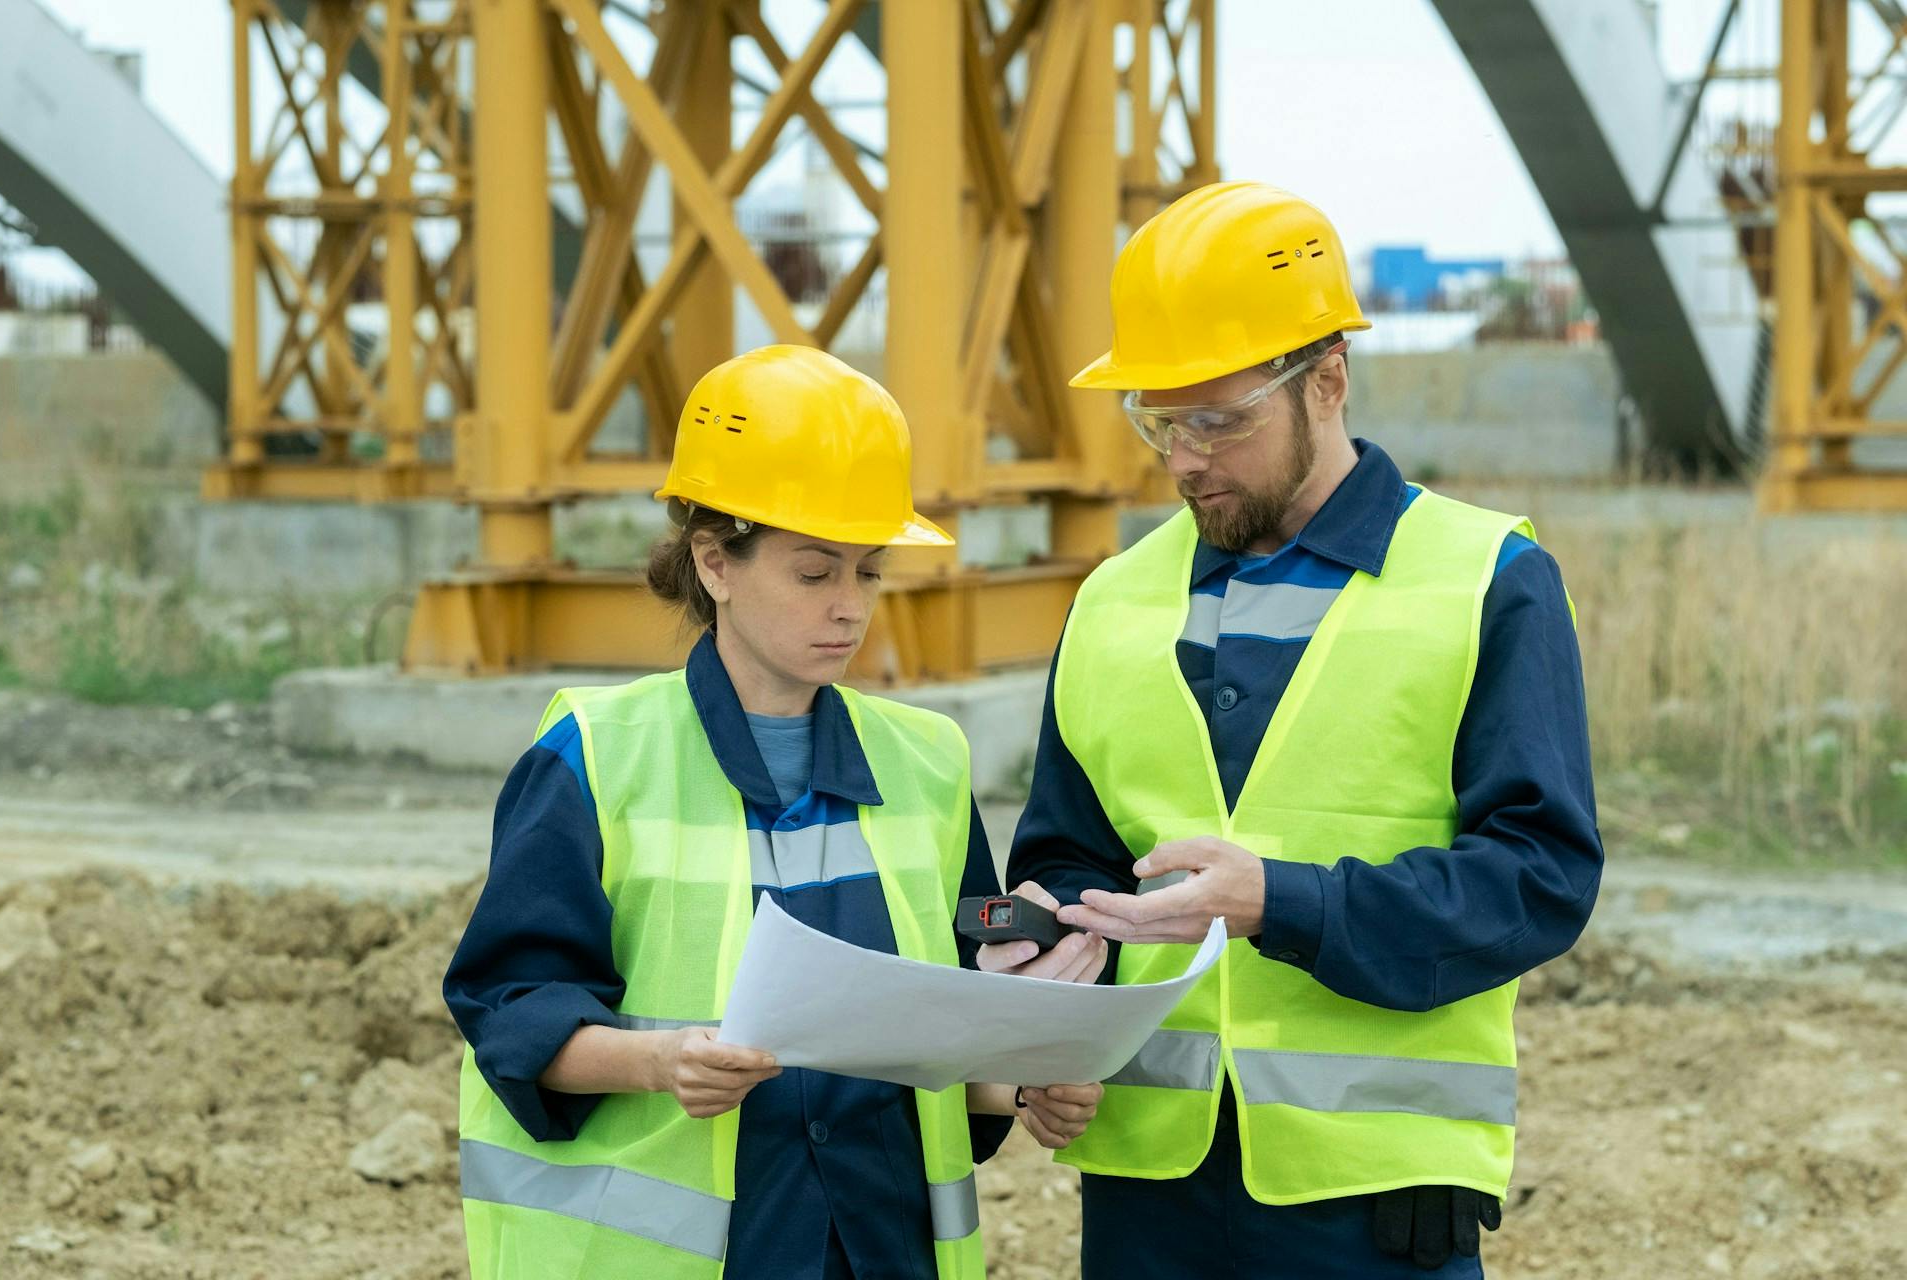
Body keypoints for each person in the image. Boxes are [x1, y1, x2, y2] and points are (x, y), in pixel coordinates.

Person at [997, 183, 1603, 1277]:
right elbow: (1064, 856)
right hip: (1145, 1189)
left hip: (1374, 1201)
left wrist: (1283, 900)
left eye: (1219, 421)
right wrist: (1043, 997)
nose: (1185, 458)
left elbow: (1538, 877)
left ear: (1327, 380)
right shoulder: (1113, 600)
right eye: (1158, 420)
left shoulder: (1486, 582)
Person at [443, 345, 1107, 1280]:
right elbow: (509, 1008)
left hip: (878, 1246)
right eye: (815, 574)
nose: (850, 608)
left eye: (867, 573)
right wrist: (662, 1061)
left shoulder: (925, 762)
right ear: (715, 563)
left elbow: (940, 1034)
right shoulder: (595, 755)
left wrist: (1023, 1087)